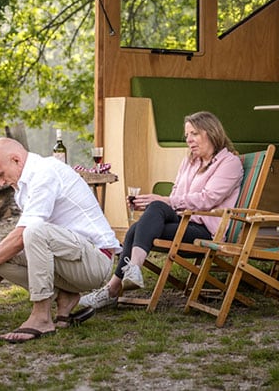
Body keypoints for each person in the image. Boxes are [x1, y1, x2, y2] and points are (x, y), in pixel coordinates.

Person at [0, 137, 121, 343]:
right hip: (72, 259)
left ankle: (42, 317)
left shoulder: (45, 172)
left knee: (32, 232)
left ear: (16, 160)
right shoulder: (23, 188)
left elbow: (24, 235)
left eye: (0, 174)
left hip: (96, 261)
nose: (1, 182)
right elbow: (20, 242)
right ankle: (65, 296)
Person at [79, 111, 243, 310]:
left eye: (194, 134)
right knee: (148, 216)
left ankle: (115, 287)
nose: (189, 140)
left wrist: (164, 201)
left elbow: (208, 199)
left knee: (142, 223)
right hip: (182, 221)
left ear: (211, 132)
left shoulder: (230, 163)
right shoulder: (189, 161)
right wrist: (150, 204)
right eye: (187, 135)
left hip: (205, 230)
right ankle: (128, 275)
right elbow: (175, 193)